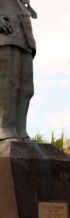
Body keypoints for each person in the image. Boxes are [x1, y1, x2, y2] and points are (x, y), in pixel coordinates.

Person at [0, 0, 37, 140]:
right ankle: (5, 128)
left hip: (25, 40)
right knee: (9, 84)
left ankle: (20, 129)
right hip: (6, 37)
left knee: (27, 88)